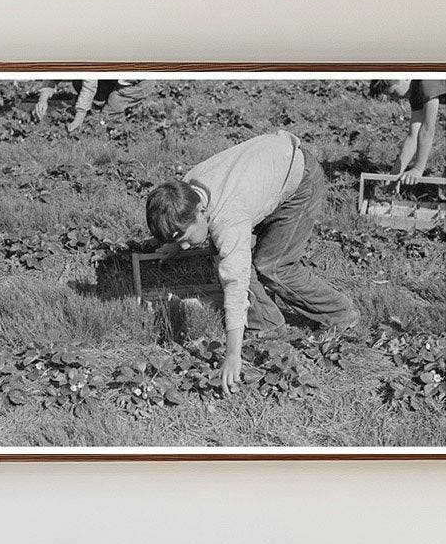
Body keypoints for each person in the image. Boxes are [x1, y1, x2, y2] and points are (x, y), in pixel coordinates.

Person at [145, 131, 359, 395]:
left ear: (201, 212)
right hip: (272, 170)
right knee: (222, 251)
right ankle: (269, 324)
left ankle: (340, 313)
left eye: (185, 238)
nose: (186, 246)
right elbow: (191, 224)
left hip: (299, 179)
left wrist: (232, 355)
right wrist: (174, 241)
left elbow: (235, 282)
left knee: (273, 266)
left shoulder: (227, 217)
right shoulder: (188, 188)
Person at [370, 79, 446, 186]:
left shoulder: (427, 81)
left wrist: (418, 169)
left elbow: (427, 128)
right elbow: (413, 134)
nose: (394, 98)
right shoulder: (415, 91)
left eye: (393, 93)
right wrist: (394, 175)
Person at [31, 78, 151, 133]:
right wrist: (42, 100)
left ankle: (127, 114)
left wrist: (78, 118)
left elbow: (89, 86)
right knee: (78, 81)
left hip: (138, 82)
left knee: (108, 117)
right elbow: (52, 77)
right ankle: (101, 101)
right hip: (114, 79)